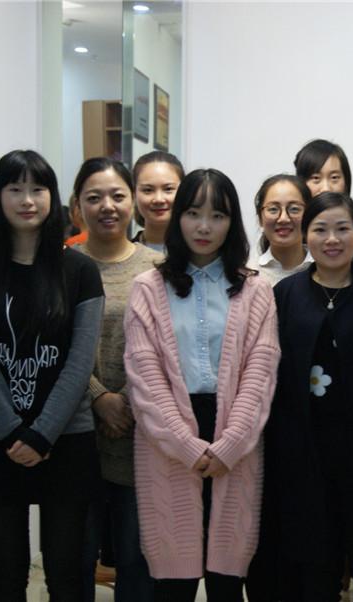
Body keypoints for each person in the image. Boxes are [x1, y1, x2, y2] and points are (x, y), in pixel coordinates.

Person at [123, 168, 280, 602]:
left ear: (233, 223)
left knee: (228, 582)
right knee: (172, 584)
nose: (204, 226)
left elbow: (261, 373)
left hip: (236, 439)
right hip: (168, 440)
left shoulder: (257, 289)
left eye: (218, 215)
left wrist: (230, 444)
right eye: (193, 213)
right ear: (178, 218)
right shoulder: (147, 288)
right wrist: (187, 445)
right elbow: (144, 378)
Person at [0, 149, 104, 600]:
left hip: (67, 438)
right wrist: (11, 432)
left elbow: (79, 363)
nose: (27, 199)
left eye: (37, 188)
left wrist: (42, 434)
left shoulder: (81, 271)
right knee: (8, 574)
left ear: (52, 197)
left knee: (65, 574)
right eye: (15, 188)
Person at [261, 192, 353, 601]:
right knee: (314, 562)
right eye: (320, 229)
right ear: (306, 235)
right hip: (303, 453)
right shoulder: (285, 294)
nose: (332, 239)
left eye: (342, 229)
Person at [72, 157, 162, 602]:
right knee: (75, 558)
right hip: (74, 431)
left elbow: (166, 348)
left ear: (133, 202)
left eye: (117, 195)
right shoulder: (62, 265)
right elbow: (55, 344)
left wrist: (124, 399)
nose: (107, 206)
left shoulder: (158, 266)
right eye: (94, 197)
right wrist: (98, 397)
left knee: (135, 560)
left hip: (138, 432)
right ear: (77, 206)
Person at [294, 138, 353, 269]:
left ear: (346, 183)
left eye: (334, 178)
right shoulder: (290, 241)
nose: (326, 188)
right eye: (316, 178)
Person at [248, 174, 313, 286]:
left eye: (294, 209)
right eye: (273, 209)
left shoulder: (325, 267)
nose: (283, 218)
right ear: (260, 218)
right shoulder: (249, 275)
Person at [131, 150, 185, 252]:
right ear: (134, 195)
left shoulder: (200, 254)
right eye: (148, 190)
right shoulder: (122, 256)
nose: (159, 199)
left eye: (168, 189)